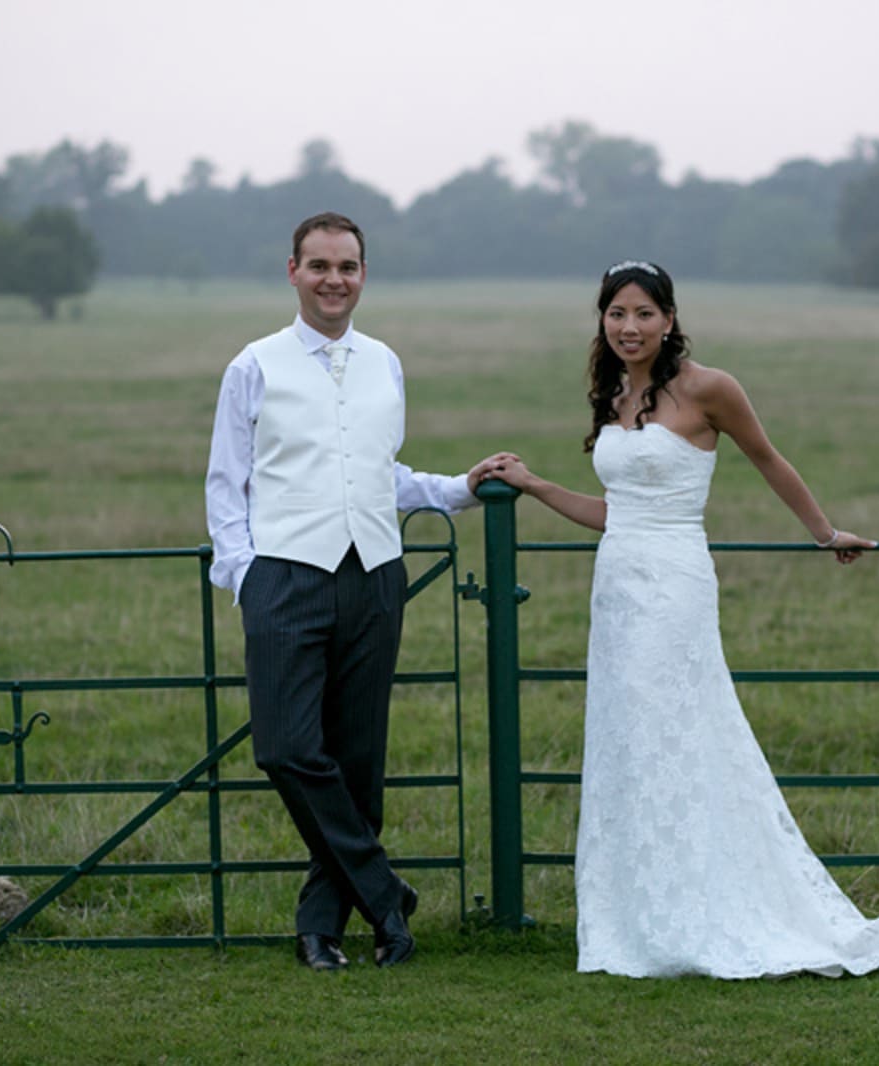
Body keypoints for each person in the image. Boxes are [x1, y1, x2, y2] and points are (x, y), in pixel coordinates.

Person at [487, 260, 879, 980]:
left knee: (682, 733)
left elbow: (769, 458)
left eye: (643, 314)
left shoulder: (709, 388)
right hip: (618, 590)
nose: (629, 328)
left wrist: (824, 533)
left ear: (669, 318)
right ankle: (642, 915)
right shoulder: (613, 393)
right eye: (616, 314)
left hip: (676, 588)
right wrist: (534, 485)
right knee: (630, 740)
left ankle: (708, 910)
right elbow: (617, 513)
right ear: (602, 320)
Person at [206, 211, 514, 972]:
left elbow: (381, 472)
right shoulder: (255, 364)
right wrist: (246, 576)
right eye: (319, 266)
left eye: (347, 266)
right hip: (283, 577)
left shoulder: (385, 362)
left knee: (357, 760)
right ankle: (384, 892)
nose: (333, 279)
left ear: (363, 274)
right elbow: (226, 484)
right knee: (283, 747)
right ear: (293, 272)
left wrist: (460, 490)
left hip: (375, 577)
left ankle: (325, 928)